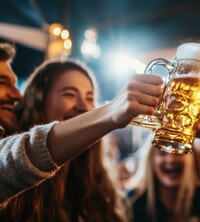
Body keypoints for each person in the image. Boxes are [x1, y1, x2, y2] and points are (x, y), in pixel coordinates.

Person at [0, 52, 163, 206]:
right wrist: (110, 112)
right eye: (69, 94)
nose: (84, 107)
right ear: (38, 101)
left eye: (90, 98)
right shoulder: (13, 176)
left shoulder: (94, 178)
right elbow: (16, 158)